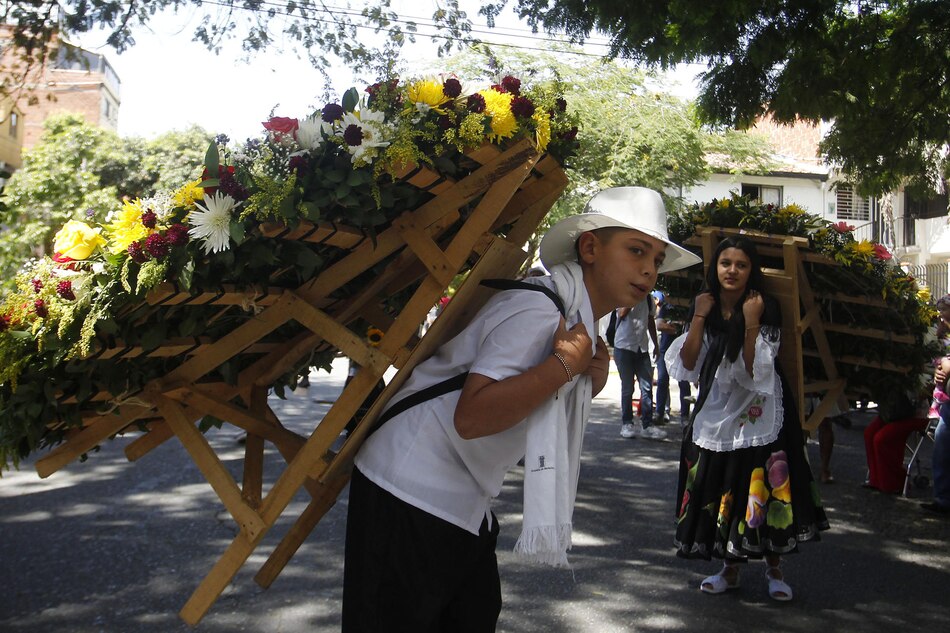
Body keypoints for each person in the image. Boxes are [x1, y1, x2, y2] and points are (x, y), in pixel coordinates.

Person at [342, 186, 701, 631]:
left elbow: (528, 409)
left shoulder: (578, 320)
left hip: (461, 501)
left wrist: (580, 381)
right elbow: (472, 417)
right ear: (590, 247)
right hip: (412, 488)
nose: (649, 269)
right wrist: (561, 368)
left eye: (657, 259)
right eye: (637, 250)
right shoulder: (538, 307)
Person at [667, 236, 829, 602]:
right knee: (723, 484)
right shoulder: (705, 304)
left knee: (761, 487)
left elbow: (756, 371)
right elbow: (689, 364)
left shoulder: (763, 305)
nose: (732, 271)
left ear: (751, 270)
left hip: (761, 408)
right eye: (726, 263)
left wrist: (751, 321)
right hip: (718, 406)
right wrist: (697, 315)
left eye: (741, 264)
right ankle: (730, 568)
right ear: (716, 267)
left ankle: (774, 569)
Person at [613, 294, 663, 439]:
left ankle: (647, 425)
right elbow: (622, 313)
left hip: (642, 348)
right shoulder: (624, 295)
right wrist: (633, 297)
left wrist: (656, 345)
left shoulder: (649, 299)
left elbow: (650, 321)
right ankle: (627, 423)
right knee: (628, 388)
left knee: (647, 387)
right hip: (624, 346)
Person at [923, 294, 950, 514]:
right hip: (947, 403)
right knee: (941, 451)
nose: (940, 315)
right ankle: (942, 499)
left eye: (944, 310)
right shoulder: (943, 333)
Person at [654, 290, 692, 426]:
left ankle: (685, 416)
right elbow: (659, 325)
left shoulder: (688, 308)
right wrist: (678, 329)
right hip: (665, 350)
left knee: (684, 382)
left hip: (683, 350)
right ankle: (659, 413)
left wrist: (673, 327)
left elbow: (691, 329)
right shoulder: (665, 308)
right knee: (662, 380)